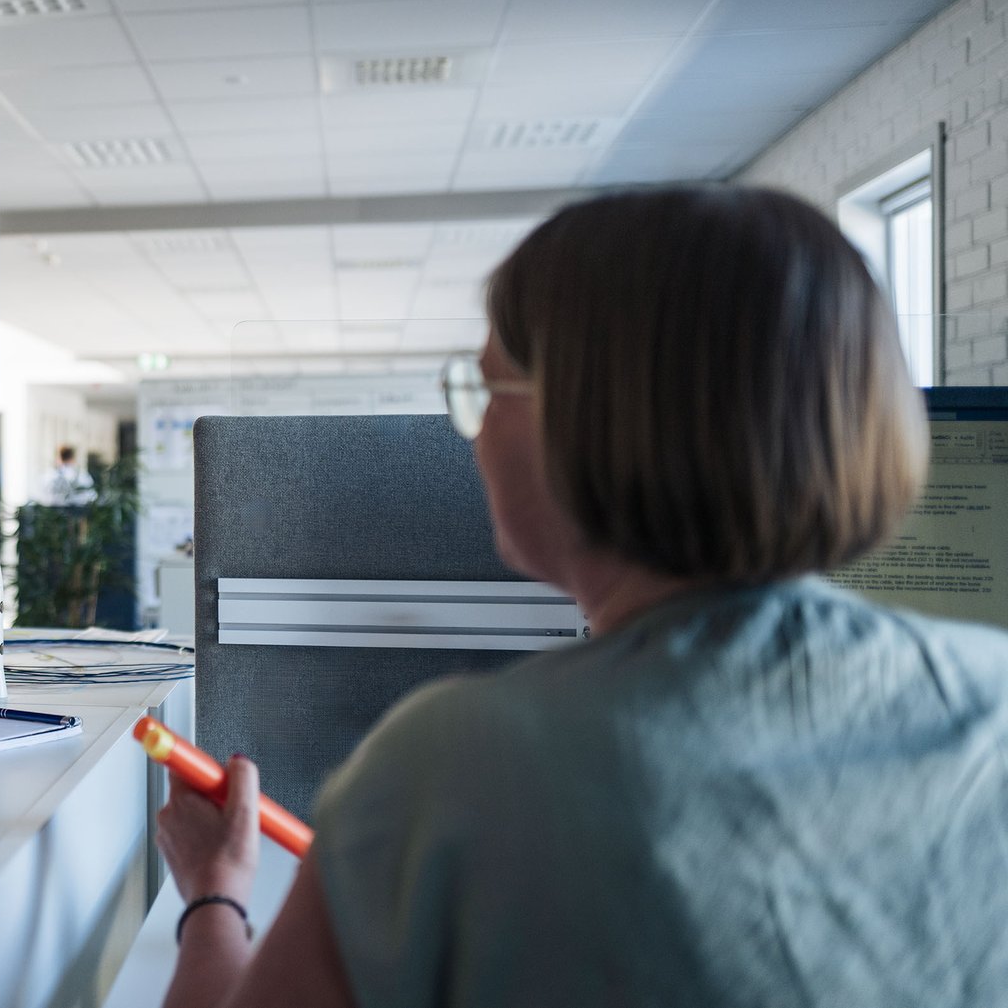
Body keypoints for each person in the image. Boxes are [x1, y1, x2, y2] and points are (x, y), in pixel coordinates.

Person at [154, 185, 1008, 1007]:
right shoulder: (992, 697)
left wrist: (215, 891)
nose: (473, 436)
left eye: (486, 391)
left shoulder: (459, 765)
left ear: (594, 425)